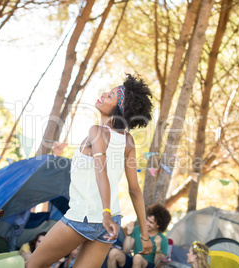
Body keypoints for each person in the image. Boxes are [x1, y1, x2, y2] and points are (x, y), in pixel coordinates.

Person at [26, 74, 154, 268]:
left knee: (32, 265)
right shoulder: (129, 141)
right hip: (111, 222)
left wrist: (105, 213)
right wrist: (144, 234)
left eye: (110, 96)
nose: (103, 94)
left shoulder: (97, 131)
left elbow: (100, 171)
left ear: (118, 109)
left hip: (85, 217)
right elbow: (135, 189)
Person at [107, 204, 172, 268]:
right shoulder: (138, 229)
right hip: (134, 262)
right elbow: (126, 250)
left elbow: (158, 265)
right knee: (113, 252)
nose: (147, 223)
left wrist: (158, 247)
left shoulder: (163, 240)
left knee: (137, 258)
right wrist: (129, 232)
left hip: (148, 265)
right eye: (147, 219)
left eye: (151, 222)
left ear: (158, 225)